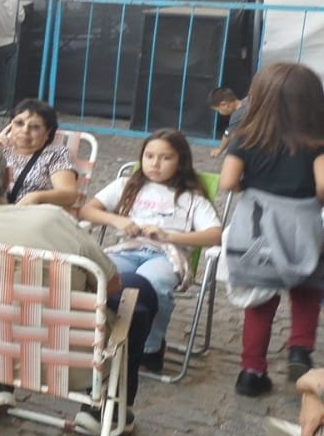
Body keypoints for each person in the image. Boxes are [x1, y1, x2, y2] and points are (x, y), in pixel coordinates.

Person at [0, 134, 158, 434]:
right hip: (64, 362)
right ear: (8, 177)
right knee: (138, 299)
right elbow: (112, 286)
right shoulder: (50, 222)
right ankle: (105, 408)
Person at [79, 129, 222, 373]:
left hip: (167, 255)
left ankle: (151, 347)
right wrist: (117, 220)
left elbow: (215, 234)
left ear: (181, 162)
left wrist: (169, 236)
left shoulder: (191, 198)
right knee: (100, 276)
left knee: (152, 282)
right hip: (127, 249)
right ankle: (103, 337)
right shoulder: (126, 185)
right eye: (149, 156)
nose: (155, 163)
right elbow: (87, 210)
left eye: (165, 158)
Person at [220, 62, 324, 397]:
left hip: (256, 231)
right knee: (308, 290)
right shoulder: (317, 143)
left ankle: (251, 372)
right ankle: (299, 350)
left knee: (260, 301)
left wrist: (252, 186)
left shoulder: (245, 138)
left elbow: (227, 181)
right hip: (303, 229)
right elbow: (323, 185)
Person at [0, 98, 79, 208]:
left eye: (35, 127)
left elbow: (69, 195)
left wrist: (36, 197)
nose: (25, 130)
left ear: (47, 132)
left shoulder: (55, 154)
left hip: (33, 213)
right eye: (19, 123)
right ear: (10, 126)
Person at [208, 86, 246, 159]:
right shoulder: (247, 100)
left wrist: (219, 149)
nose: (219, 113)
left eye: (218, 110)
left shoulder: (237, 115)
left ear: (224, 104)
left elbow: (228, 134)